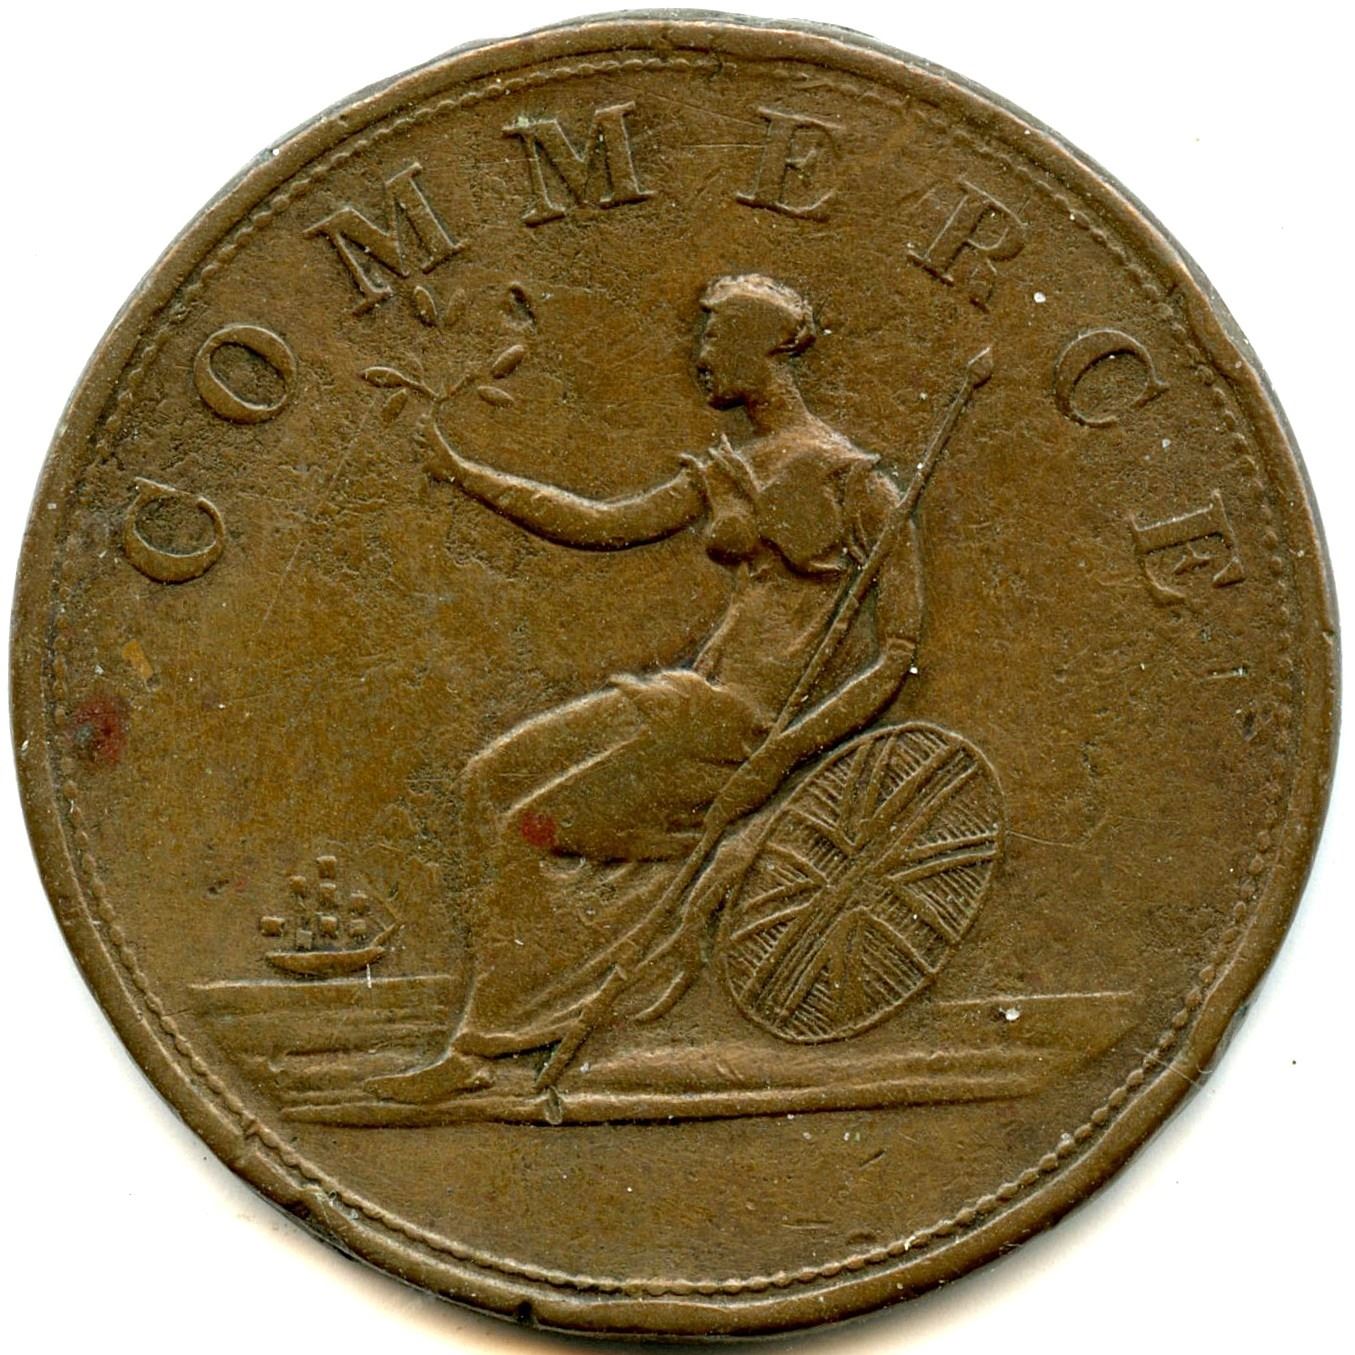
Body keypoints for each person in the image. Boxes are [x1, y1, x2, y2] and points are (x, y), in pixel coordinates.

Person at [369, 274, 923, 1101]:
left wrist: (783, 754)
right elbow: (601, 523)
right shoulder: (736, 467)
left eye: (715, 337)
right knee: (487, 777)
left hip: (745, 729)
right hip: (690, 705)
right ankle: (551, 982)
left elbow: (897, 651)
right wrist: (462, 472)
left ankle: (484, 1045)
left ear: (764, 349)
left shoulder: (854, 483)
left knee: (527, 828)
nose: (700, 353)